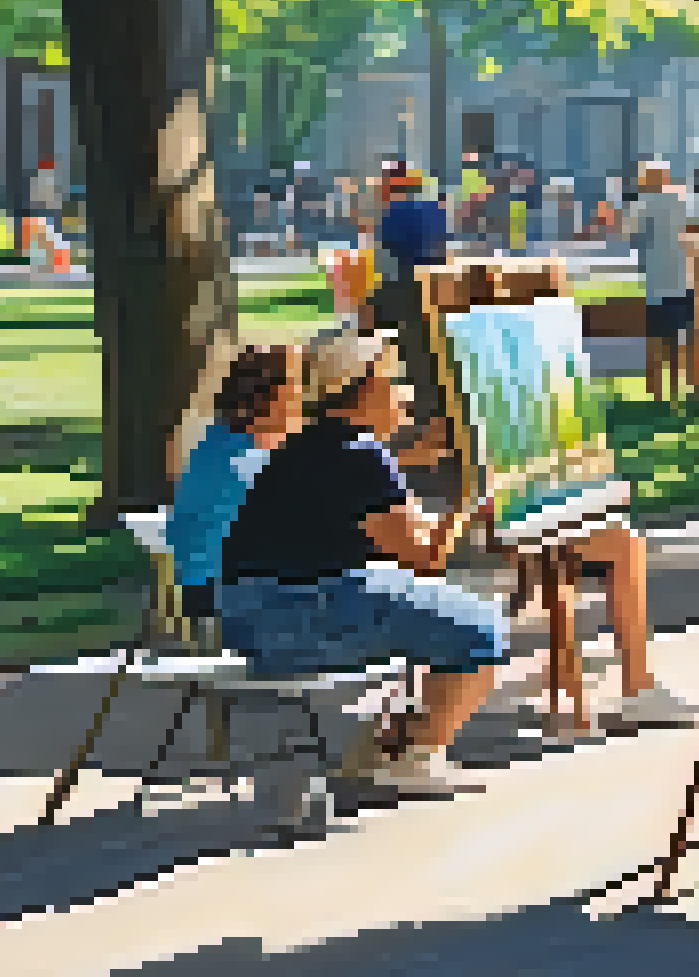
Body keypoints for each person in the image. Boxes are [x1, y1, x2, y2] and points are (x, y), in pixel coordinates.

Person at [217, 330, 513, 796]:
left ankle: (385, 748)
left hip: (251, 620)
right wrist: (473, 492)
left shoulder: (310, 445)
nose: (406, 392)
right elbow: (426, 554)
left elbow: (399, 541)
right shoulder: (359, 453)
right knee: (484, 629)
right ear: (363, 389)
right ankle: (412, 758)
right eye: (395, 380)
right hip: (301, 616)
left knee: (423, 604)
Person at [168, 344, 304, 617]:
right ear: (274, 396)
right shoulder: (253, 462)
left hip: (200, 589)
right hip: (228, 597)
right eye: (299, 383)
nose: (303, 398)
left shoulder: (215, 440)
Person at [365, 160, 452, 437]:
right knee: (430, 347)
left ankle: (422, 415)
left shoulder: (394, 212)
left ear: (392, 182)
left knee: (410, 347)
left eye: (383, 183)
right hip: (438, 285)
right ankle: (434, 408)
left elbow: (386, 262)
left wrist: (372, 302)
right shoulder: (435, 207)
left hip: (409, 287)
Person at [619, 160, 699, 403]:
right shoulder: (681, 201)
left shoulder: (642, 205)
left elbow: (627, 234)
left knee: (657, 343)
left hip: (658, 284)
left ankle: (659, 395)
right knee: (683, 340)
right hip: (683, 280)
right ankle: (689, 390)